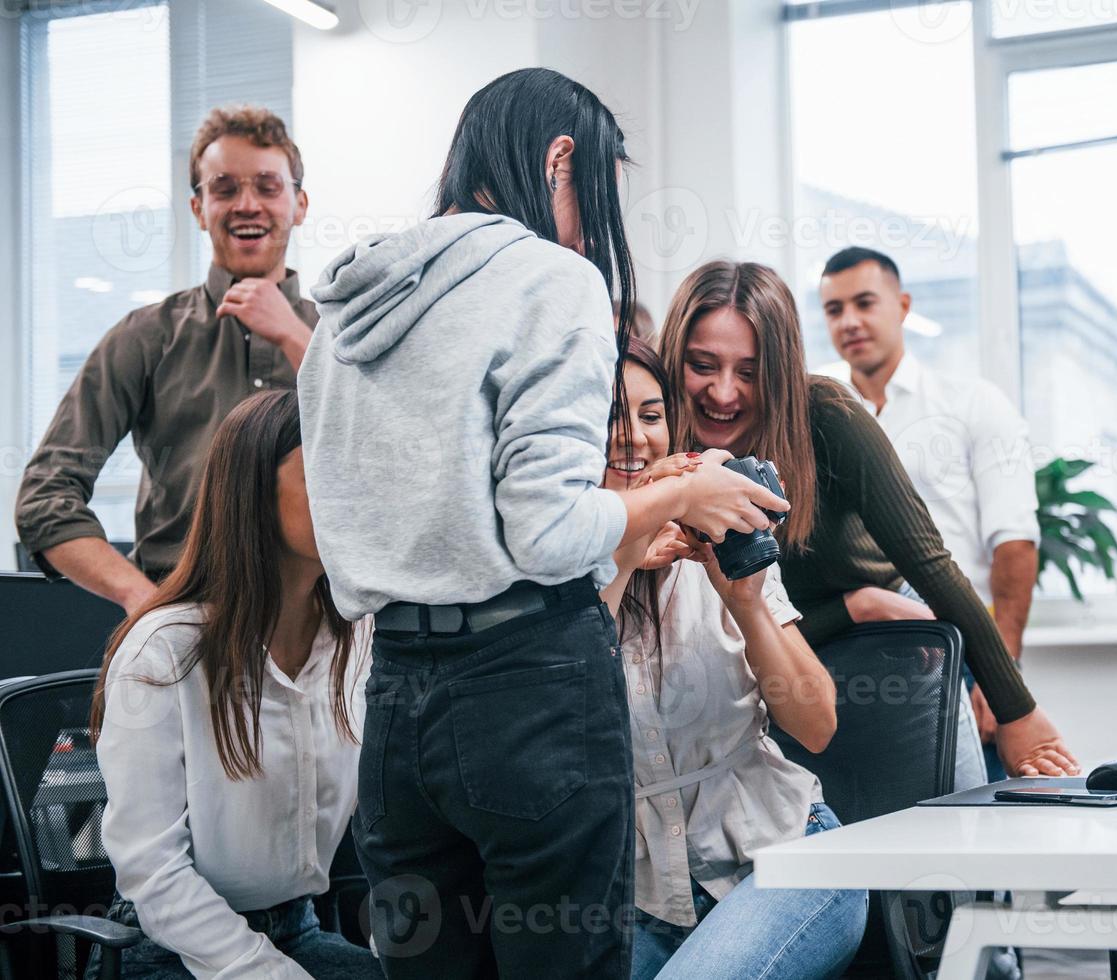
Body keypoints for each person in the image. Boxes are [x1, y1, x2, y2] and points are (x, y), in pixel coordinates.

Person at [295, 69, 790, 980]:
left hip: (395, 701)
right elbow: (551, 534)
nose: (590, 232)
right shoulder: (550, 279)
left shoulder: (347, 308)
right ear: (560, 159)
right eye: (593, 200)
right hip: (529, 692)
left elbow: (348, 528)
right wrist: (678, 496)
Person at [656, 260, 1079, 779]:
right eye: (703, 365)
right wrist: (852, 608)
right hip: (779, 659)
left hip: (893, 640)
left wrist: (1019, 711)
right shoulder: (653, 440)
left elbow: (931, 563)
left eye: (749, 372)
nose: (724, 393)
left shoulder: (827, 414)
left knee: (952, 816)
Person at [599, 338, 867, 980]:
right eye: (610, 414)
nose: (633, 437)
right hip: (635, 899)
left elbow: (816, 725)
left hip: (788, 856)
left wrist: (745, 599)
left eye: (652, 414)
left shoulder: (716, 538)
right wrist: (627, 548)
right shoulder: (551, 575)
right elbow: (562, 710)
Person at [90, 389, 380, 980]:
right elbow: (152, 871)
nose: (353, 494)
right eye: (326, 468)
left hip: (298, 928)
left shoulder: (357, 637)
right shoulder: (165, 649)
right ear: (253, 491)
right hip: (169, 947)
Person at [16, 106, 317, 610]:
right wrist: (142, 599)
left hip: (326, 634)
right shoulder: (144, 337)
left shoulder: (344, 337)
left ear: (299, 203)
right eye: (224, 188)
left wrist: (296, 338)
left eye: (267, 186)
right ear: (199, 209)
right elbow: (45, 496)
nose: (247, 204)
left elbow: (395, 467)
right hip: (182, 624)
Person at [819, 246, 1040, 785]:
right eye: (833, 309)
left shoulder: (973, 405)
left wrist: (997, 673)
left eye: (865, 303)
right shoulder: (818, 414)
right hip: (848, 654)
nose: (849, 321)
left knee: (973, 827)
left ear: (903, 305)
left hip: (958, 649)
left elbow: (1014, 543)